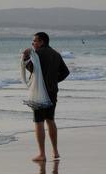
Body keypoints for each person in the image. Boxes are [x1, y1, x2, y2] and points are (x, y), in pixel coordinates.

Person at [22, 32, 70, 161]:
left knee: (38, 121)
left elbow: (32, 68)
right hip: (52, 91)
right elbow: (66, 72)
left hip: (39, 92)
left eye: (34, 41)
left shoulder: (36, 54)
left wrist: (25, 58)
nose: (33, 44)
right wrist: (53, 81)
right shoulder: (56, 54)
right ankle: (55, 151)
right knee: (50, 119)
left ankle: (42, 154)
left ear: (42, 42)